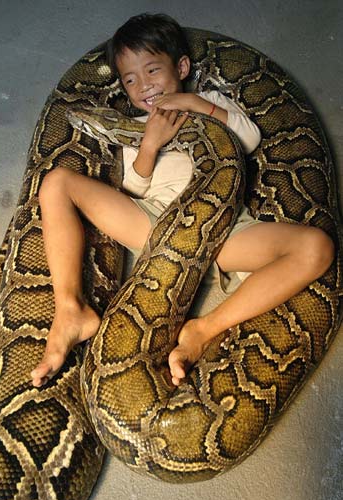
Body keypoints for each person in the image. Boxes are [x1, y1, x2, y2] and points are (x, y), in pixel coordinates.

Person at [30, 13, 334, 388]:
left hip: (221, 232)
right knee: (56, 183)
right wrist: (150, 143)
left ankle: (205, 329)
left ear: (183, 67)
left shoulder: (208, 102)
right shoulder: (136, 130)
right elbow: (135, 188)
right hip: (152, 221)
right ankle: (70, 307)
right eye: (130, 80)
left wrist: (195, 104)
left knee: (316, 248)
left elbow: (249, 138)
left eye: (153, 71)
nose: (144, 86)